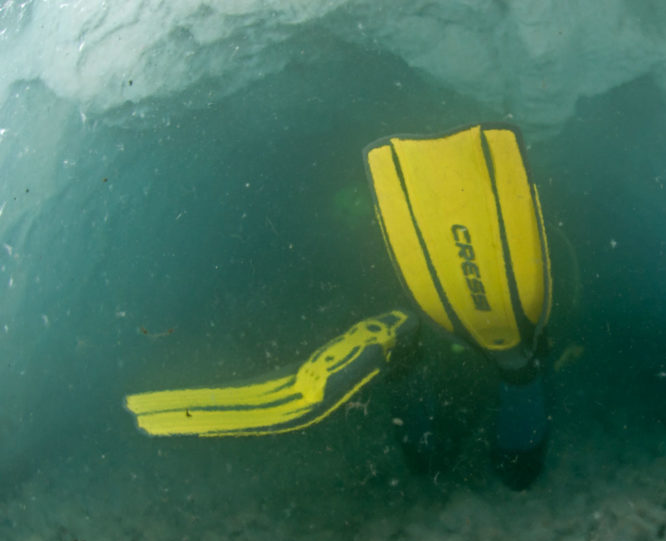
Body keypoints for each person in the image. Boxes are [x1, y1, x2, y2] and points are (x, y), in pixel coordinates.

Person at [124, 124, 553, 490]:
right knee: (503, 469)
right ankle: (501, 367)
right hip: (463, 340)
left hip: (441, 332)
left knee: (438, 461)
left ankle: (415, 355)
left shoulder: (366, 253)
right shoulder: (364, 254)